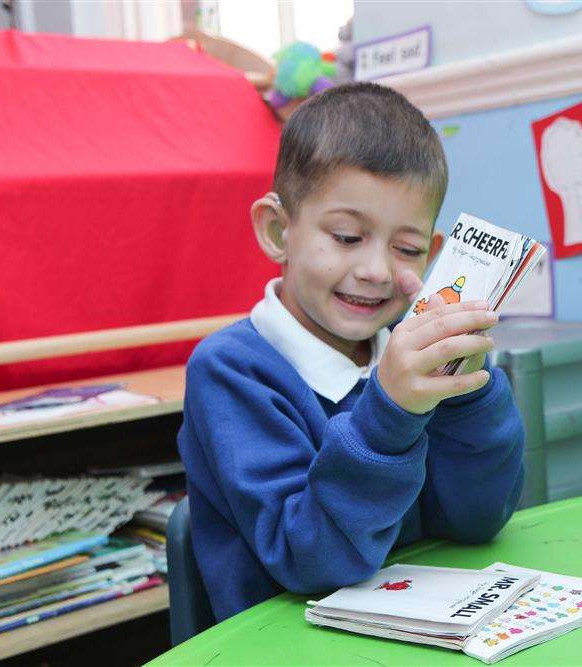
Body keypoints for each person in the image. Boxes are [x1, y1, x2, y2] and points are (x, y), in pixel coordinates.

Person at [177, 82, 525, 623]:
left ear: (431, 254)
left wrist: (464, 396)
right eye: (345, 237)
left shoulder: (407, 359)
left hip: (414, 630)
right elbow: (308, 561)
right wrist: (390, 414)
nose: (376, 271)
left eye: (406, 249)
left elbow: (478, 522)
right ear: (277, 230)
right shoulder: (231, 371)